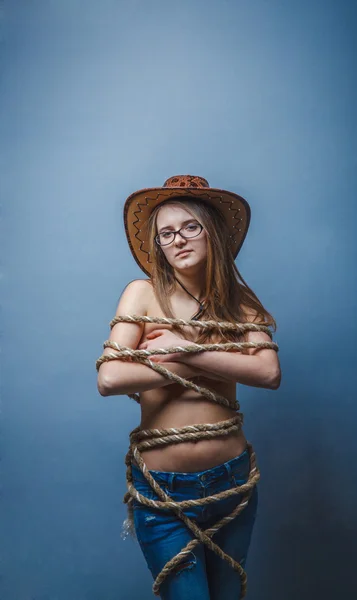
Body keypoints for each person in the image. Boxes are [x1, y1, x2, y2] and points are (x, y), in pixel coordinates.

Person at [96, 175, 281, 600]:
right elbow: (111, 378)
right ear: (158, 245)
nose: (178, 239)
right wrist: (212, 359)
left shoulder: (241, 302)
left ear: (211, 231)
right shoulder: (141, 295)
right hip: (162, 488)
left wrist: (183, 350)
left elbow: (268, 373)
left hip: (231, 483)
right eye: (166, 233)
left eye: (190, 227)